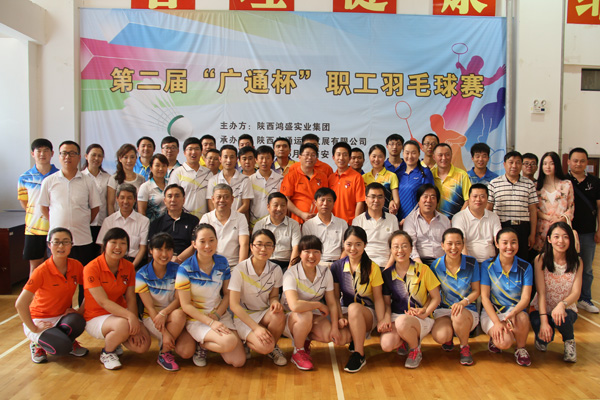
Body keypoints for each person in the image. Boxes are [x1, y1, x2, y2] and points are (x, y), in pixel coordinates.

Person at [176, 224, 246, 368]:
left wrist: (217, 315)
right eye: (202, 241)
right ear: (194, 244)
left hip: (218, 314)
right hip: (196, 318)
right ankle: (202, 343)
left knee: (238, 361)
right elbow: (186, 306)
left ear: (217, 241)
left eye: (211, 240)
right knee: (229, 342)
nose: (208, 246)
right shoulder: (184, 269)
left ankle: (205, 343)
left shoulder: (222, 262)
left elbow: (227, 294)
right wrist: (210, 323)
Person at [15, 227, 88, 364]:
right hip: (40, 319)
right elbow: (20, 304)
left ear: (71, 245)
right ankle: (36, 344)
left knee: (78, 321)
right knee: (62, 348)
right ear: (49, 245)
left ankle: (67, 340)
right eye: (56, 242)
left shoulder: (76, 266)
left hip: (62, 316)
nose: (61, 246)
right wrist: (34, 328)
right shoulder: (41, 271)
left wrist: (80, 311)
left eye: (65, 242)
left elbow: (90, 290)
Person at [84, 228, 151, 370]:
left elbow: (131, 297)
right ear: (104, 245)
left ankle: (116, 340)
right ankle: (107, 352)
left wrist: (135, 321)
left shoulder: (128, 267)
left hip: (121, 313)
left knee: (143, 345)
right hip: (96, 316)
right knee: (124, 325)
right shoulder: (91, 268)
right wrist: (130, 317)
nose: (118, 247)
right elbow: (103, 302)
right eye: (113, 242)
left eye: (123, 243)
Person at [282, 235, 351, 371]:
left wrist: (335, 327)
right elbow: (294, 305)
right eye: (307, 252)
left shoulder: (325, 272)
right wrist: (318, 305)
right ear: (300, 253)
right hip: (289, 317)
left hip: (312, 316)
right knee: (306, 314)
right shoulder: (291, 273)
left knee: (335, 336)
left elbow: (332, 302)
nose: (311, 256)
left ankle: (304, 341)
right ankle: (298, 352)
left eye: (316, 252)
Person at [378, 230, 441, 369]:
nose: (400, 250)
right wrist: (386, 318)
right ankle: (405, 339)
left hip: (420, 317)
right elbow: (387, 304)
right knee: (387, 345)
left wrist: (425, 312)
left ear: (411, 249)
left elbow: (436, 297)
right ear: (391, 250)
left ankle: (415, 349)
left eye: (404, 246)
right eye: (396, 247)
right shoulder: (387, 274)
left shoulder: (423, 269)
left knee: (402, 322)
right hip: (397, 317)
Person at [136, 233, 195, 371]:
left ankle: (165, 344)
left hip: (173, 316)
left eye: (168, 249)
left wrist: (165, 312)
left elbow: (179, 300)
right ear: (151, 250)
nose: (164, 254)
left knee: (186, 352)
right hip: (152, 318)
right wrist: (165, 334)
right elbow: (150, 307)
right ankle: (164, 353)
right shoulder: (141, 275)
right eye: (159, 249)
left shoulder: (179, 270)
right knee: (178, 316)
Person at [39, 140, 101, 271]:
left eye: (72, 153)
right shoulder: (49, 181)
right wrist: (55, 222)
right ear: (59, 156)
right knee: (57, 275)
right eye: (64, 153)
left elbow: (95, 207)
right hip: (57, 241)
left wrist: (83, 221)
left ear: (79, 157)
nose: (68, 157)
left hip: (82, 238)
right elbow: (43, 207)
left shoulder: (88, 181)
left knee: (82, 274)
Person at [330, 226, 385, 373]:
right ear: (343, 244)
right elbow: (335, 297)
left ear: (365, 245)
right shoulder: (336, 267)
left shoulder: (373, 267)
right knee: (340, 338)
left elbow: (378, 299)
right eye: (349, 244)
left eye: (358, 244)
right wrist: (339, 317)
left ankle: (359, 354)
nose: (353, 248)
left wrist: (381, 321)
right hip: (346, 312)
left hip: (367, 313)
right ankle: (355, 339)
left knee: (354, 308)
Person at [228, 229, 287, 366]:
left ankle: (273, 347)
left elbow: (273, 296)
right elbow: (234, 305)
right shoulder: (239, 270)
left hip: (263, 313)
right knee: (264, 347)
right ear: (251, 247)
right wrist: (256, 328)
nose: (263, 249)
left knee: (279, 314)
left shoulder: (276, 269)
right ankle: (248, 343)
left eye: (268, 245)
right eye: (259, 244)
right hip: (244, 316)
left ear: (273, 248)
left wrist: (275, 302)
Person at [480, 228, 533, 367]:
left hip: (515, 312)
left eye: (513, 242)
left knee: (523, 317)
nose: (509, 247)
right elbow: (485, 297)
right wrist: (497, 322)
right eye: (505, 243)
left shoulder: (526, 267)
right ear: (497, 244)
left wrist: (513, 313)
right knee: (504, 343)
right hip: (493, 312)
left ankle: (521, 348)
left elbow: (525, 298)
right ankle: (495, 337)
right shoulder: (487, 266)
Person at [530, 222, 582, 363]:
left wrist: (562, 304)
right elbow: (541, 292)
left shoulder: (577, 261)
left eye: (565, 237)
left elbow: (576, 292)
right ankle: (542, 336)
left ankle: (569, 341)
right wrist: (544, 322)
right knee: (543, 340)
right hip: (542, 309)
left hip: (565, 309)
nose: (561, 241)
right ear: (549, 239)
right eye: (556, 236)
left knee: (561, 318)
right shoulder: (540, 259)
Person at [430, 228, 480, 366]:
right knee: (440, 336)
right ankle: (448, 338)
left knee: (458, 315)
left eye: (458, 243)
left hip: (467, 310)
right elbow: (434, 294)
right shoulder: (436, 265)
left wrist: (463, 303)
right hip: (444, 310)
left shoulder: (471, 263)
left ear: (463, 245)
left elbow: (476, 291)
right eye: (449, 243)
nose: (454, 247)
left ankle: (464, 347)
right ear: (442, 245)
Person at [488, 151, 538, 261]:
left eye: (518, 162)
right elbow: (489, 208)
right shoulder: (494, 183)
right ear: (504, 164)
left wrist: (532, 234)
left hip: (523, 228)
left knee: (522, 260)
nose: (514, 166)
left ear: (521, 165)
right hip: (501, 226)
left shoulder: (529, 184)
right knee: (502, 259)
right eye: (511, 162)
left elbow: (533, 210)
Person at [18, 138, 58, 273]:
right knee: (35, 267)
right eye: (39, 151)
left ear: (52, 153)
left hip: (55, 227)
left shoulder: (59, 175)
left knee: (56, 266)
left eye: (46, 150)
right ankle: (34, 289)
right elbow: (24, 202)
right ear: (32, 154)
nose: (42, 154)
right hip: (33, 228)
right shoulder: (24, 177)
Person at [567, 147, 600, 313]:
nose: (578, 164)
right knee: (565, 267)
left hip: (587, 232)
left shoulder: (595, 182)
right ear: (569, 162)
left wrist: (599, 230)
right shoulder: (564, 180)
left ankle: (585, 299)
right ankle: (566, 299)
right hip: (566, 233)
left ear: (587, 163)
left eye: (582, 161)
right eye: (575, 160)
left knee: (586, 268)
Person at [96, 184, 149, 268]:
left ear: (135, 199)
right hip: (112, 261)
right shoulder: (109, 220)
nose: (125, 201)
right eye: (122, 198)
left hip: (134, 263)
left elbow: (143, 248)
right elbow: (103, 246)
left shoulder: (144, 221)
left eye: (129, 198)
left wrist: (131, 268)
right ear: (117, 199)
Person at [534, 152, 574, 255]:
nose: (548, 167)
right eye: (545, 163)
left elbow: (571, 207)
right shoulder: (536, 186)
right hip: (541, 230)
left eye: (551, 163)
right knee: (542, 259)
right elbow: (533, 209)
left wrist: (561, 219)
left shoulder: (567, 185)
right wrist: (548, 217)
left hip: (561, 230)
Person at [200, 183, 250, 267]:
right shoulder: (206, 218)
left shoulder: (240, 218)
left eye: (226, 197)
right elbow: (202, 244)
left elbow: (244, 244)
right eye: (218, 197)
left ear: (232, 199)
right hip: (211, 265)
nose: (222, 200)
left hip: (234, 265)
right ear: (213, 199)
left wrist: (240, 268)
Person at [148, 184, 199, 263]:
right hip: (162, 261)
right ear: (165, 201)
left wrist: (178, 259)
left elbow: (195, 244)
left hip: (187, 262)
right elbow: (152, 247)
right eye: (170, 196)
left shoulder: (193, 221)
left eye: (177, 196)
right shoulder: (156, 223)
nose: (173, 199)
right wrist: (168, 259)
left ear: (183, 200)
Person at [352, 182, 399, 269]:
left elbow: (396, 247)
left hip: (386, 265)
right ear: (366, 199)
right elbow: (355, 248)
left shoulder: (392, 219)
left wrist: (387, 269)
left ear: (384, 199)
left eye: (380, 197)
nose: (376, 200)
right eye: (373, 197)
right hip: (364, 266)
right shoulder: (358, 221)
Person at [280, 143, 330, 224]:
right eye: (306, 154)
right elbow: (285, 198)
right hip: (298, 219)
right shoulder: (291, 176)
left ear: (316, 159)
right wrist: (301, 214)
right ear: (299, 157)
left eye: (313, 155)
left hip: (319, 220)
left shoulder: (322, 176)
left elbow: (325, 198)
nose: (309, 158)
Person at [452, 183, 502, 262]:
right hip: (469, 262)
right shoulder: (459, 217)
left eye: (482, 196)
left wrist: (499, 261)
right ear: (469, 198)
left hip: (491, 261)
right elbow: (461, 243)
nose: (478, 199)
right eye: (475, 196)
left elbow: (499, 240)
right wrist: (468, 264)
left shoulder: (494, 217)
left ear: (487, 199)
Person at [403, 184, 451, 266]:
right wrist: (421, 267)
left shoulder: (444, 220)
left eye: (433, 197)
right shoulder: (410, 220)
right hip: (418, 262)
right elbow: (410, 246)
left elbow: (449, 243)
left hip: (441, 263)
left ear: (437, 201)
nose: (428, 200)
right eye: (425, 197)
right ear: (418, 200)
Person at [253, 192, 301, 271]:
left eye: (283, 205)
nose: (279, 209)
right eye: (275, 205)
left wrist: (290, 269)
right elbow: (255, 248)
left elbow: (296, 247)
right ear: (268, 207)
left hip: (286, 264)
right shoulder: (260, 224)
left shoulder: (294, 224)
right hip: (265, 262)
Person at [301, 188, 348, 266]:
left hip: (337, 263)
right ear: (315, 202)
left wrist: (339, 264)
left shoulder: (342, 223)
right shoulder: (308, 225)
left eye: (329, 200)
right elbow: (306, 249)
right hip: (316, 264)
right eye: (322, 200)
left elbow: (345, 248)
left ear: (333, 203)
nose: (325, 203)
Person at [168, 137, 212, 219]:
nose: (193, 152)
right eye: (190, 149)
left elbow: (211, 199)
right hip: (183, 219)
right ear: (184, 152)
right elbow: (171, 197)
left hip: (204, 219)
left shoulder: (208, 173)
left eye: (197, 149)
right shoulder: (177, 173)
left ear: (201, 152)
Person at [207, 145, 253, 216]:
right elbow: (211, 203)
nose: (229, 160)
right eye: (225, 157)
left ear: (236, 159)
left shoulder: (245, 179)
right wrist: (219, 217)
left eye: (232, 157)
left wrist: (232, 217)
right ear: (220, 159)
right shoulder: (213, 180)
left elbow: (245, 204)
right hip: (218, 219)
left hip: (238, 219)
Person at [82, 144, 111, 251]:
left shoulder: (108, 177)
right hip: (85, 224)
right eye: (93, 155)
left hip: (103, 223)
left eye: (100, 156)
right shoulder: (80, 177)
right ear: (86, 156)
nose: (96, 158)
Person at [396, 140, 434, 222]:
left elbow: (429, 199)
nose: (410, 156)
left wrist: (410, 219)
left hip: (419, 220)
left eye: (413, 153)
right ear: (403, 154)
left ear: (419, 154)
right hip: (399, 220)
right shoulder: (398, 174)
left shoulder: (425, 173)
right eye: (407, 153)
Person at [431, 143, 471, 220]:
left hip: (458, 221)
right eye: (440, 155)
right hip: (435, 220)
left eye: (447, 155)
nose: (444, 158)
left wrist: (456, 219)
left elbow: (468, 200)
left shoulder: (462, 175)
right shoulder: (430, 175)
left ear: (451, 155)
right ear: (434, 157)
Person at [329, 141, 365, 225]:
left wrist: (355, 224)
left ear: (349, 158)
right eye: (338, 155)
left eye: (345, 155)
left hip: (349, 223)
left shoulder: (357, 177)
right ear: (333, 157)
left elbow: (360, 202)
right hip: (332, 223)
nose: (341, 158)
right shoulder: (330, 178)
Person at [249, 146, 284, 228]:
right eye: (261, 158)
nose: (264, 161)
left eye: (268, 158)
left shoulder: (280, 179)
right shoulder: (250, 180)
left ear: (272, 160)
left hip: (276, 223)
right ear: (256, 160)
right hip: (254, 223)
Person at [107, 143, 145, 216]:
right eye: (125, 157)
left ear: (136, 159)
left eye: (132, 157)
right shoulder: (114, 179)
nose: (129, 160)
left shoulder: (141, 179)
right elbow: (110, 204)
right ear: (120, 159)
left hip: (136, 218)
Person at [362, 144, 399, 216]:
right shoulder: (363, 177)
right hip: (367, 217)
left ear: (384, 157)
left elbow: (396, 200)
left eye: (380, 156)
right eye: (374, 156)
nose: (376, 159)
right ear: (369, 157)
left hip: (386, 216)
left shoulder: (391, 176)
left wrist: (394, 205)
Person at [138, 153, 169, 223]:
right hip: (152, 225)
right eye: (157, 165)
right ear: (151, 168)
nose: (161, 168)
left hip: (169, 225)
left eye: (164, 166)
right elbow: (141, 212)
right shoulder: (145, 187)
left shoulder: (171, 184)